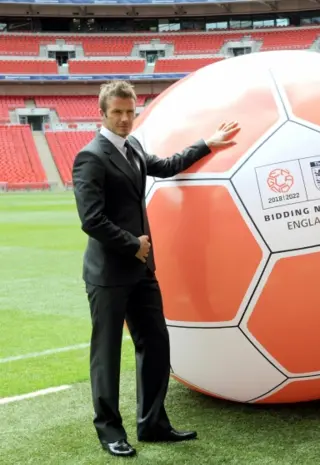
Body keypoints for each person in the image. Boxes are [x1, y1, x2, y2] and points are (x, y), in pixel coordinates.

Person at [72, 80, 240, 457]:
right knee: (107, 353)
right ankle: (110, 431)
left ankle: (152, 423)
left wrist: (206, 144)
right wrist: (133, 244)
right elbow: (91, 220)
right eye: (117, 112)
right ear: (102, 113)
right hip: (109, 275)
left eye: (130, 112)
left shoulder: (132, 146)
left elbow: (164, 167)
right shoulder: (91, 156)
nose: (124, 119)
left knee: (156, 344)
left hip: (142, 271)